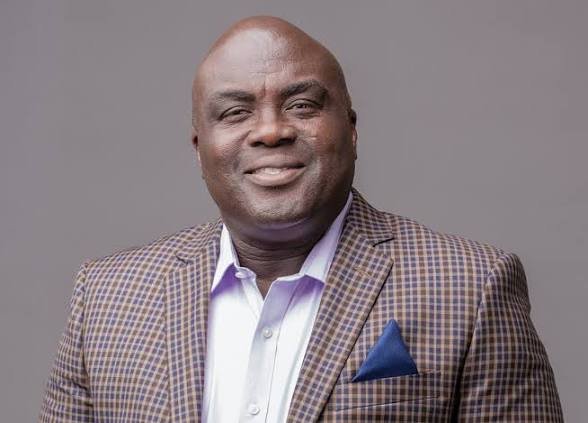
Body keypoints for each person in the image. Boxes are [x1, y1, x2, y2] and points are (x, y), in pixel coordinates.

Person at [40, 16, 563, 422]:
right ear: (199, 148)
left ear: (351, 130)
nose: (271, 131)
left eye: (303, 105)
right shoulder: (106, 298)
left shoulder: (470, 287)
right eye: (235, 112)